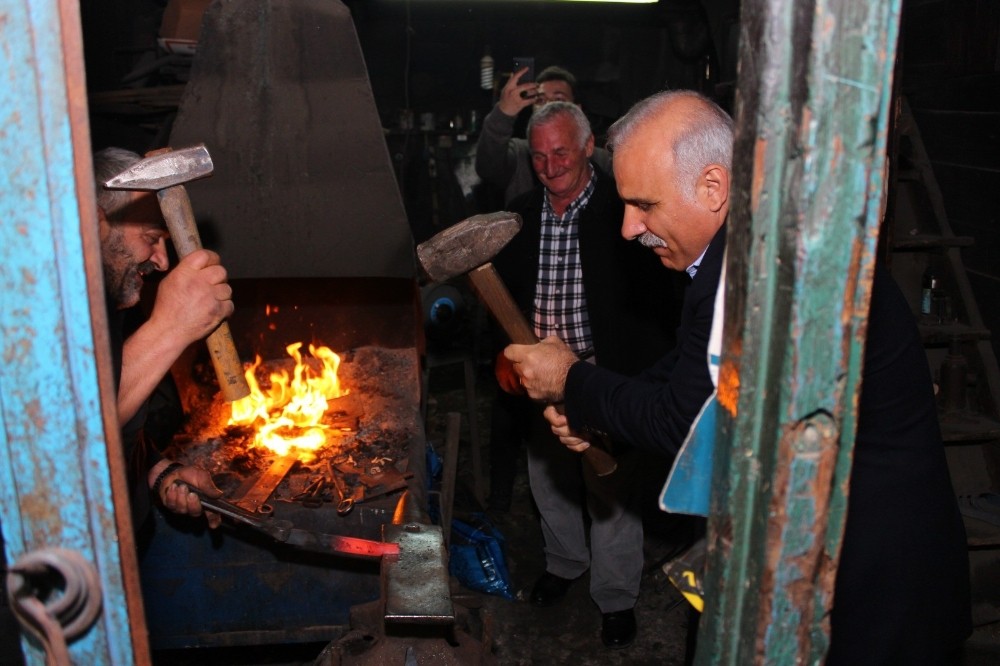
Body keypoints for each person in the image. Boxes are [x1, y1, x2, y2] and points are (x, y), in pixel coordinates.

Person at [505, 90, 972, 664]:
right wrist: (599, 416)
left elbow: (686, 420)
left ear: (712, 187)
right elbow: (688, 368)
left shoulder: (763, 274)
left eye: (644, 205)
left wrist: (573, 381)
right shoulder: (742, 251)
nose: (629, 227)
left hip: (871, 576)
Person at [490, 101, 680, 649]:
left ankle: (616, 596)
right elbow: (503, 298)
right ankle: (565, 562)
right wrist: (505, 353)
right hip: (536, 371)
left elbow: (656, 306)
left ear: (588, 146)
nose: (550, 166)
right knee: (548, 476)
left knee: (610, 484)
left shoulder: (626, 215)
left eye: (562, 153)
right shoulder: (520, 216)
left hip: (602, 370)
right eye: (540, 155)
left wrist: (637, 379)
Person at [94, 147, 228, 529]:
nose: (162, 261)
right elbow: (74, 431)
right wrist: (170, 325)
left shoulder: (110, 301)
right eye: (151, 237)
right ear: (95, 223)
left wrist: (158, 473)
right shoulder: (34, 309)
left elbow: (119, 424)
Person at [474, 65, 612, 205]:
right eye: (540, 100)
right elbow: (488, 167)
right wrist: (503, 113)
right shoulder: (519, 153)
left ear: (577, 108)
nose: (548, 106)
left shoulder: (603, 160)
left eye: (558, 99)